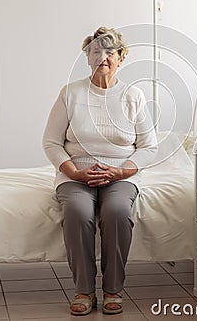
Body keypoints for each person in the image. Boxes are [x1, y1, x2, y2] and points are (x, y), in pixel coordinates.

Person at [42, 26, 158, 315]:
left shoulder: (133, 95)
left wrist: (120, 173)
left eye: (110, 52)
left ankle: (112, 290)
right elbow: (52, 142)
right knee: (78, 213)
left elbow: (149, 147)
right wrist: (75, 172)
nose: (102, 56)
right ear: (88, 57)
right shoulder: (71, 93)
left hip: (120, 175)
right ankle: (84, 290)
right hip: (76, 174)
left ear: (121, 58)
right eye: (96, 51)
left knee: (117, 212)